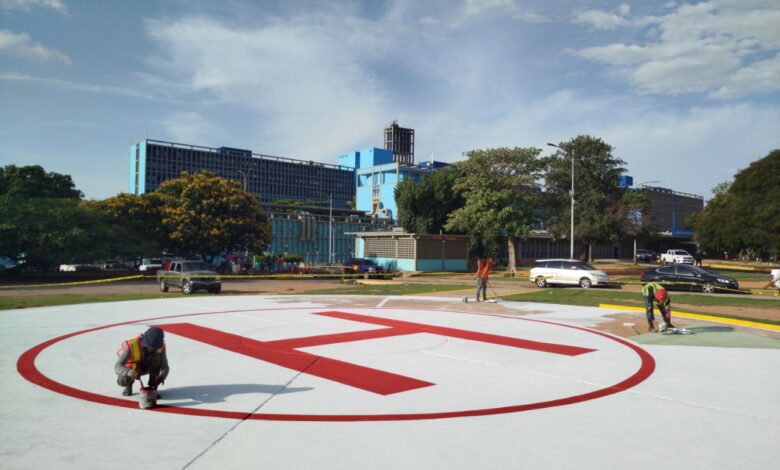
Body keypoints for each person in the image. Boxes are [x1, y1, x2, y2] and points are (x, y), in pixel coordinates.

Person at [115, 326, 169, 396]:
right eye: (149, 347)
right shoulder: (132, 345)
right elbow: (117, 366)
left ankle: (152, 387)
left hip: (148, 367)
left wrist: (162, 377)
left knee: (157, 358)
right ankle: (128, 385)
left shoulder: (161, 348)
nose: (151, 350)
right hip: (133, 369)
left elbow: (165, 367)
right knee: (123, 379)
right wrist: (129, 372)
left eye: (154, 349)